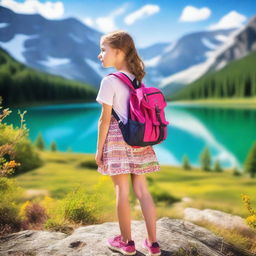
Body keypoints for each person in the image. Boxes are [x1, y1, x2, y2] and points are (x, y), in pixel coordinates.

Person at [95, 30, 161, 256]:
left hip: (116, 139)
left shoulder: (109, 81)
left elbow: (105, 120)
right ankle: (153, 244)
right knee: (142, 191)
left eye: (103, 50)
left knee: (121, 192)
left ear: (119, 52)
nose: (100, 55)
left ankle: (127, 242)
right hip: (139, 139)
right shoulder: (137, 79)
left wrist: (99, 150)